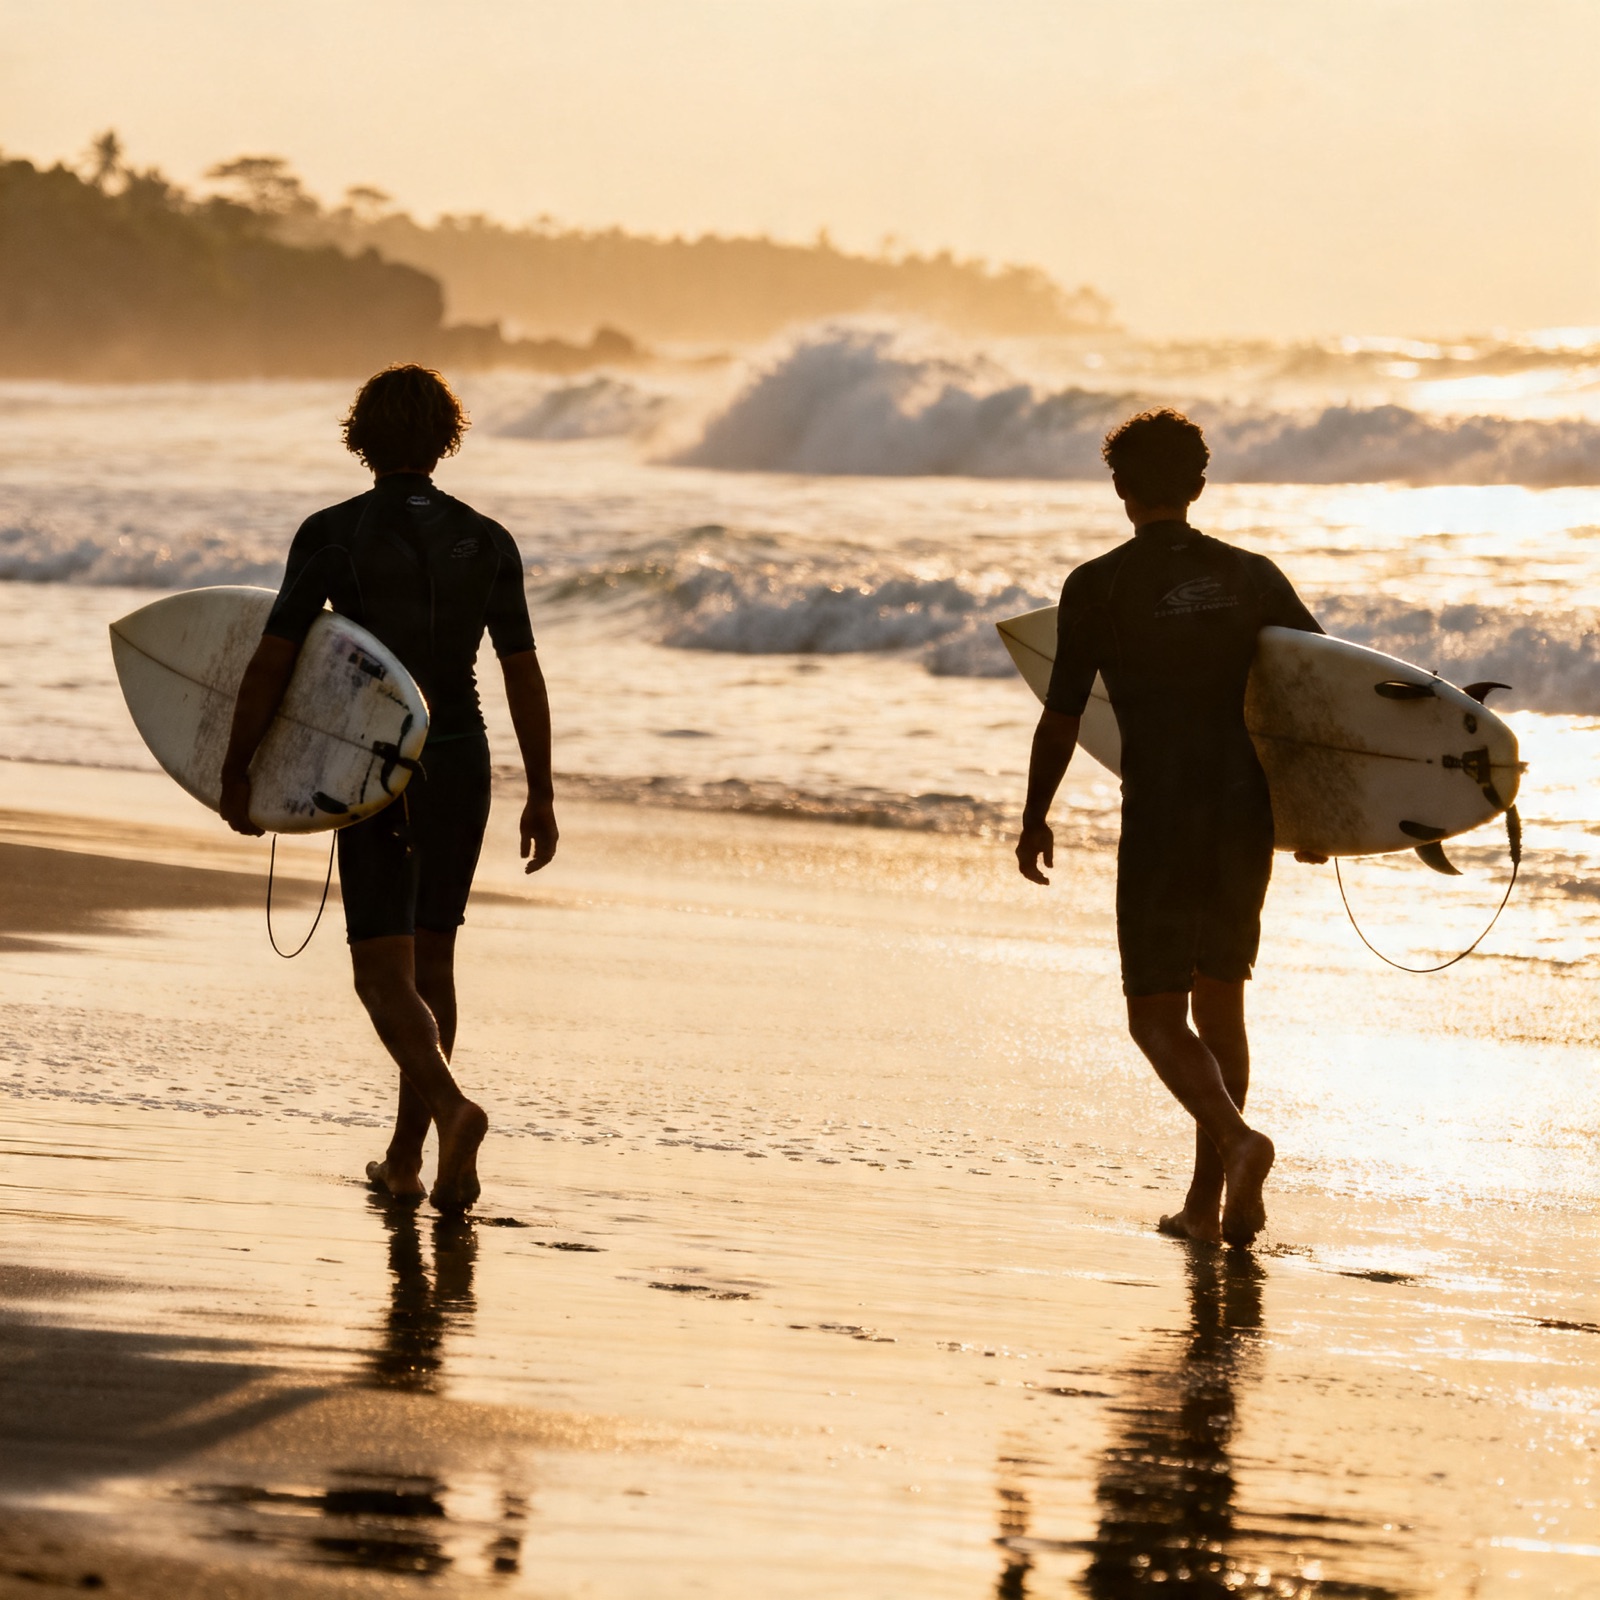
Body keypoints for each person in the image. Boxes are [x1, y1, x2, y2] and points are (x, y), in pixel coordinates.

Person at [219, 364, 558, 1213]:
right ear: (447, 436)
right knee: (434, 956)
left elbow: (274, 658)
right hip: (463, 757)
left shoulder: (333, 533)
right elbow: (523, 672)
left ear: (361, 435)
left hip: (374, 766)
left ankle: (450, 1110)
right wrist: (541, 791)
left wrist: (238, 765)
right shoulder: (487, 538)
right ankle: (409, 1160)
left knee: (381, 973)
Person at [1015, 409, 1321, 1247]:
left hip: (1163, 816)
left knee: (1155, 1016)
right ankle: (1208, 1205)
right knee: (1223, 1011)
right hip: (1243, 813)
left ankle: (1237, 1143)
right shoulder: (1252, 575)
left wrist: (1036, 816)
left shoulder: (1098, 585)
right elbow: (1315, 698)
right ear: (1198, 484)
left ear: (1120, 489)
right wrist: (1319, 814)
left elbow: (1063, 717)